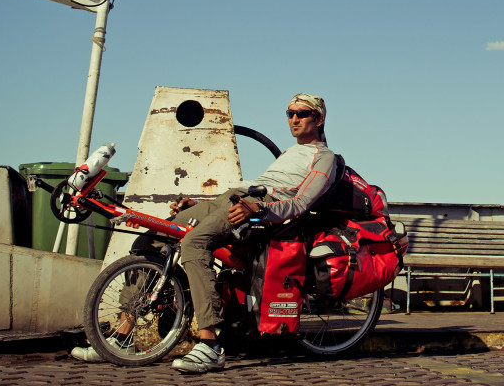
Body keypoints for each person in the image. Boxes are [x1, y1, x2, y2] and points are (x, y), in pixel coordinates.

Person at [72, 93, 338, 371]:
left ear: (318, 119)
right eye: (289, 113)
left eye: (302, 114)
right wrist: (199, 205)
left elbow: (302, 202)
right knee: (152, 237)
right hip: (233, 198)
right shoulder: (290, 153)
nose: (294, 119)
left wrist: (257, 210)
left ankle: (211, 345)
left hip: (259, 208)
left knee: (194, 244)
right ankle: (122, 338)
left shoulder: (325, 157)